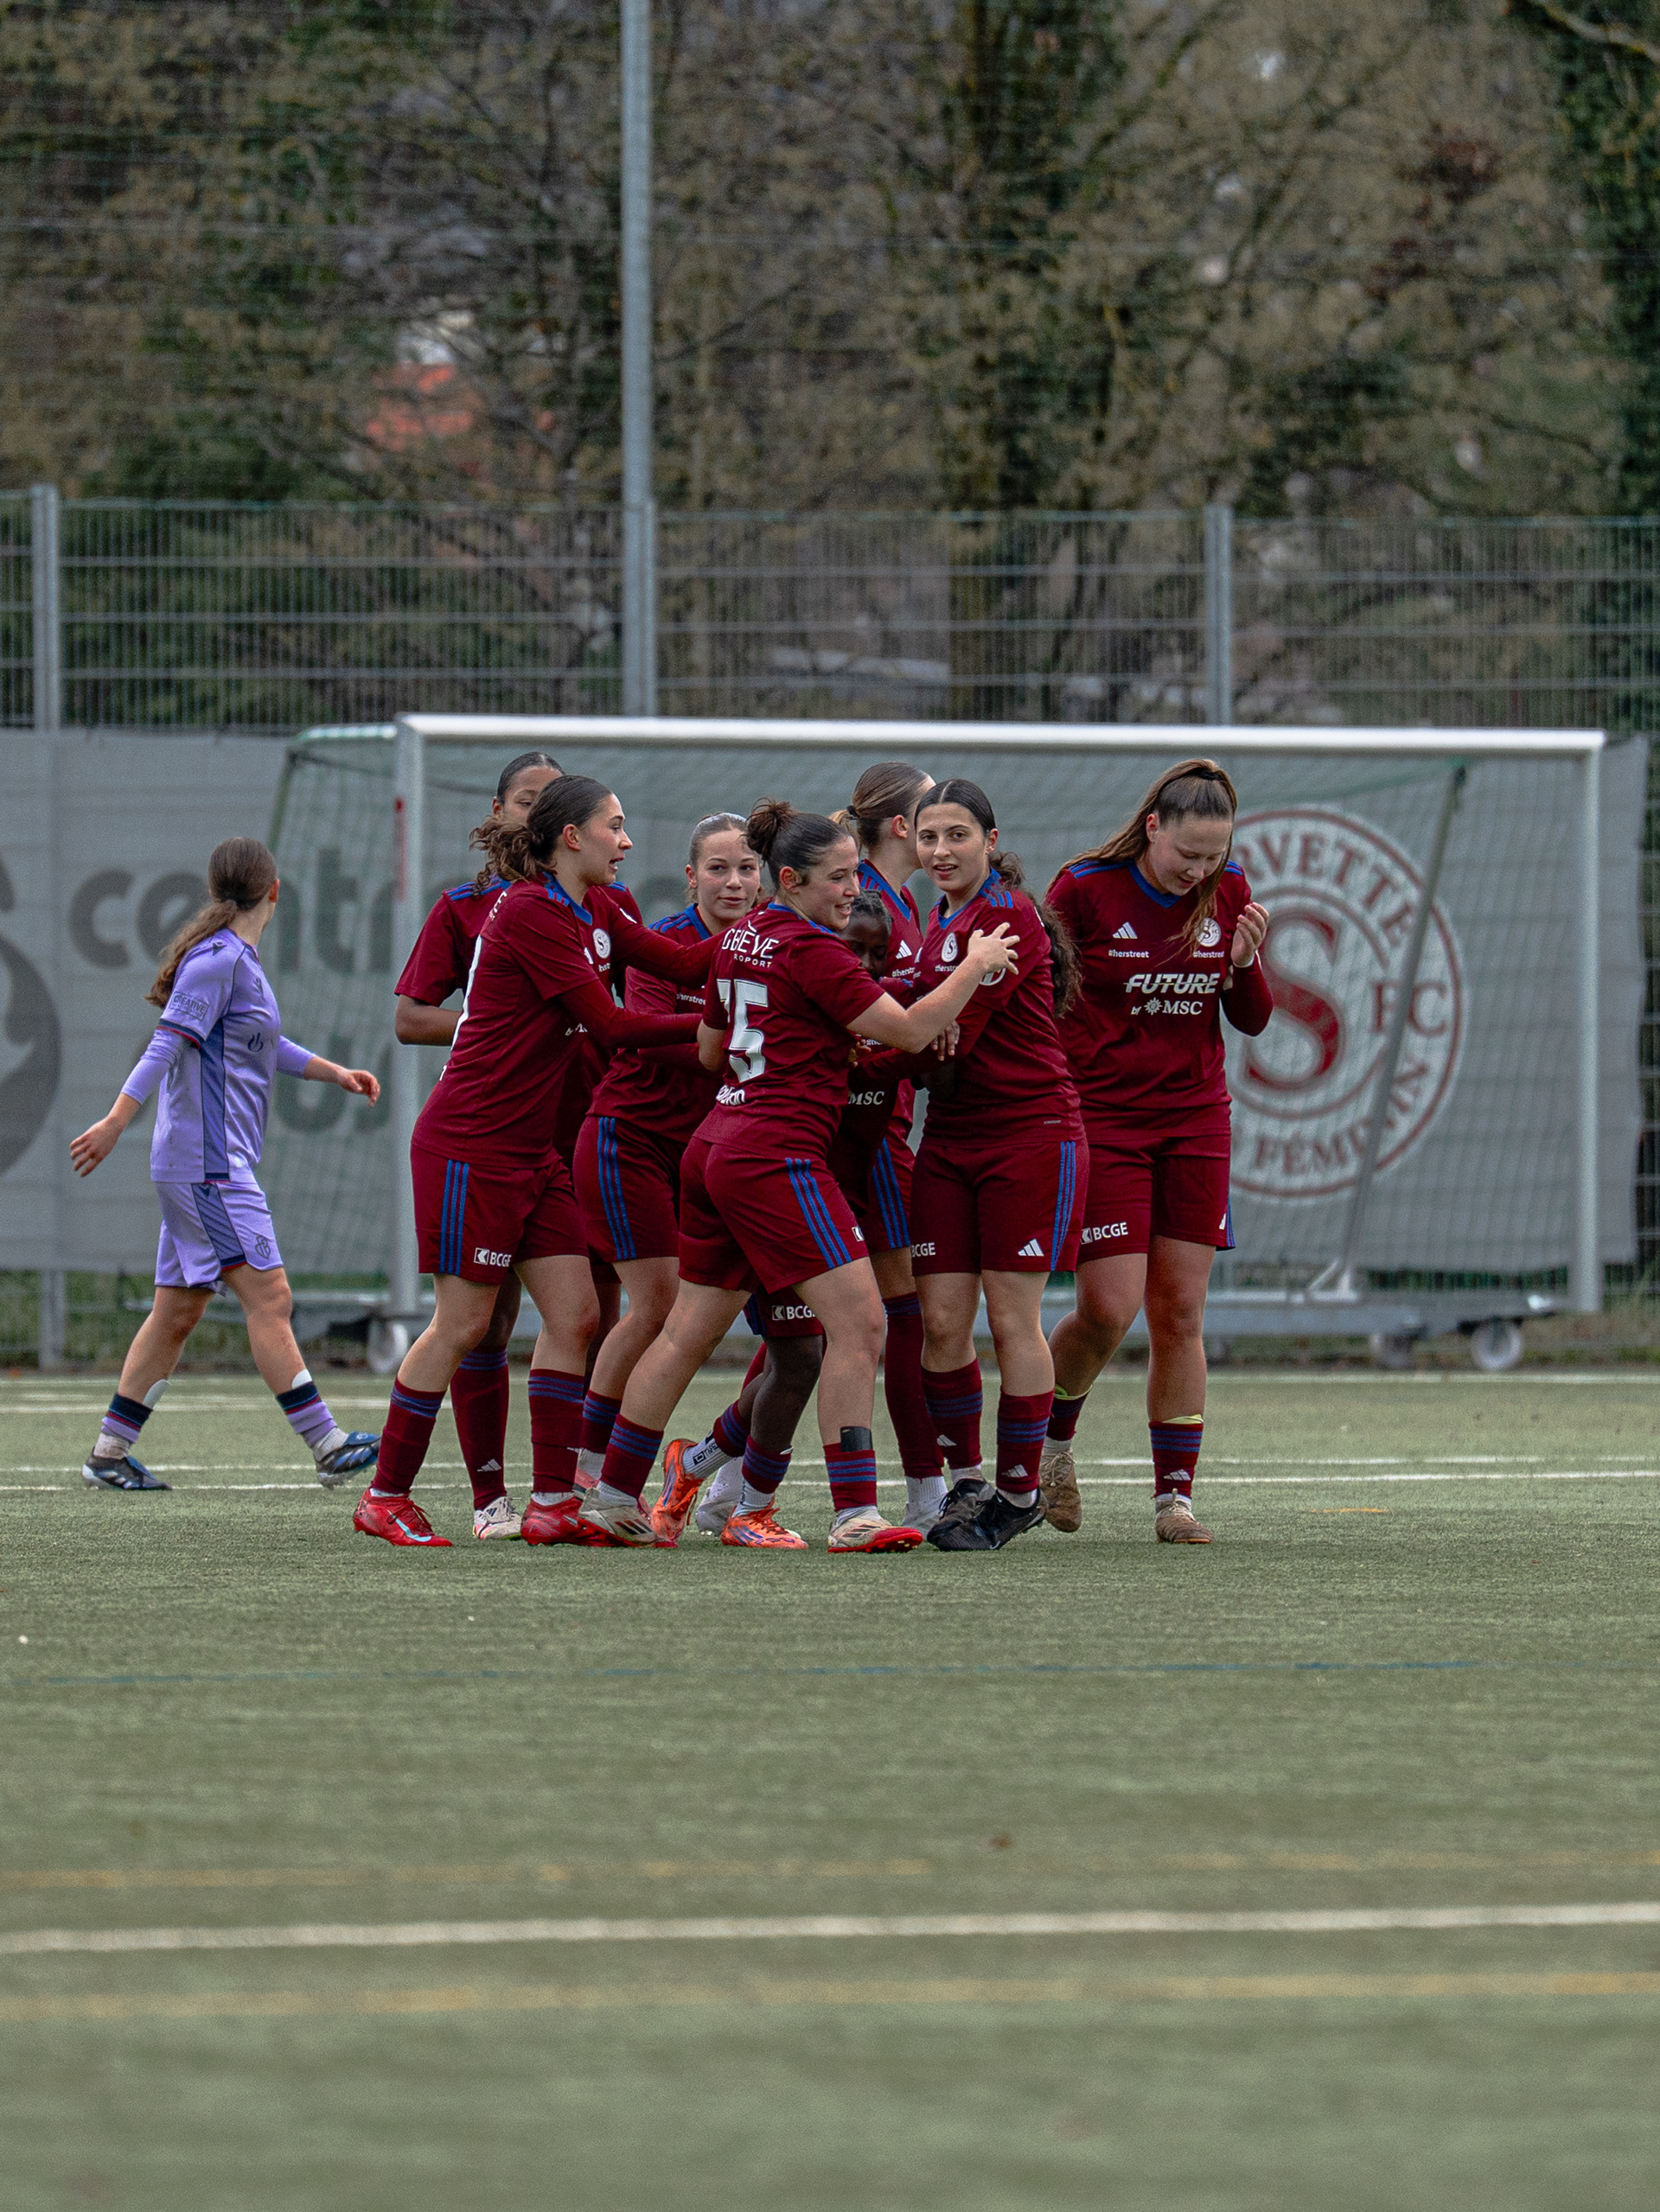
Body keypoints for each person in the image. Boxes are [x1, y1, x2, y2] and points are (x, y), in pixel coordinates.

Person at [581, 797, 1018, 1552]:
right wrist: (975, 968)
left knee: (685, 1333)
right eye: (839, 877)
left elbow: (712, 1053)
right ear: (791, 878)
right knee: (863, 1323)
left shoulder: (737, 937)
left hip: (715, 1143)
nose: (854, 889)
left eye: (855, 874)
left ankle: (613, 1496)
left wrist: (809, 1043)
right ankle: (855, 1512)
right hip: (774, 1154)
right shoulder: (814, 951)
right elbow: (912, 1028)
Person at [353, 777, 715, 1548]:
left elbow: (685, 967)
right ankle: (385, 1495)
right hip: (470, 1143)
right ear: (571, 837)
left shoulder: (601, 907)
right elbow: (612, 1026)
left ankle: (552, 1501)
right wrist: (712, 1036)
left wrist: (776, 933)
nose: (626, 841)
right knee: (464, 1323)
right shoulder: (529, 912)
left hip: (533, 1151)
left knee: (577, 1316)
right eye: (614, 826)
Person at [68, 838, 383, 1492]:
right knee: (270, 1297)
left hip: (196, 1163)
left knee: (177, 1311)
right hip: (208, 1166)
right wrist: (116, 1121)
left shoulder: (235, 961)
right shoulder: (218, 961)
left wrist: (334, 1073)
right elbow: (165, 1045)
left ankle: (108, 1454)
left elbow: (262, 1043)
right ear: (275, 891)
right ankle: (326, 1443)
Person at [1041, 759, 1271, 1545]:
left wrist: (1245, 964)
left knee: (1180, 1310)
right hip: (1103, 1119)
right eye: (1187, 854)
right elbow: (1040, 998)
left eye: (1215, 855)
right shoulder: (1083, 889)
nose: (1200, 871)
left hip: (1195, 1121)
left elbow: (1252, 1019)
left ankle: (1175, 1499)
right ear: (1152, 829)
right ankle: (1050, 1442)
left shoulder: (1228, 891)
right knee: (1108, 1308)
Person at [907, 780, 1085, 1554]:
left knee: (1013, 1318)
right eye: (929, 836)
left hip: (1029, 1134)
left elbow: (942, 1043)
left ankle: (1018, 1495)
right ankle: (970, 1483)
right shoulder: (938, 923)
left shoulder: (1006, 919)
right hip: (949, 1139)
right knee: (943, 1322)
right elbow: (929, 1043)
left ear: (991, 840)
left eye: (957, 835)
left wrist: (880, 1034)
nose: (941, 851)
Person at [393, 749, 562, 1538]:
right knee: (481, 1321)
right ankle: (488, 1496)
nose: (540, 814)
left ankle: (576, 1490)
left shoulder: (601, 902)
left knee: (588, 1313)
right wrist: (493, 1020)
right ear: (499, 812)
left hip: (570, 1131)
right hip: (489, 1133)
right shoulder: (467, 907)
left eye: (555, 801)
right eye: (527, 799)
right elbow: (410, 1017)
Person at [572, 813, 762, 1489]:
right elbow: (655, 1037)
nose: (733, 882)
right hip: (630, 1140)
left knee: (789, 1331)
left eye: (746, 868)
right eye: (718, 868)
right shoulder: (665, 945)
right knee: (656, 1306)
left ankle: (724, 1477)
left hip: (713, 1159)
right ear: (691, 876)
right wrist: (749, 1046)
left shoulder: (775, 942)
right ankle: (588, 1468)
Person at [831, 763, 943, 1527]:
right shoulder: (860, 899)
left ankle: (723, 1471)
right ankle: (927, 1488)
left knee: (830, 1323)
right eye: (933, 818)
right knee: (899, 1315)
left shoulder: (903, 901)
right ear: (904, 826)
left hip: (885, 1123)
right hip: (858, 1130)